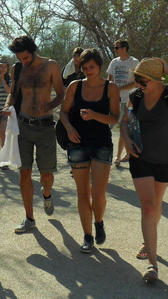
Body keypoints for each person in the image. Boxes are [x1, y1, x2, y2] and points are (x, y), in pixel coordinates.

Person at [122, 57, 168, 283]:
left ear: (154, 79)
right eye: (137, 79)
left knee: (157, 204)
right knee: (149, 208)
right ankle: (153, 264)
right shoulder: (136, 97)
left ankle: (147, 240)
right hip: (140, 157)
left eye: (142, 80)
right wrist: (125, 140)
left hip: (165, 159)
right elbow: (125, 121)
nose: (138, 84)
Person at [59, 49, 120, 253]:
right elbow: (64, 112)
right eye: (84, 68)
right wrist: (69, 128)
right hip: (77, 144)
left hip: (101, 144)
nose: (88, 71)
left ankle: (99, 222)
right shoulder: (75, 86)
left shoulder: (111, 88)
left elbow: (114, 118)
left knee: (98, 193)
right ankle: (87, 236)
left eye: (91, 67)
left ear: (100, 66)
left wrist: (94, 115)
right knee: (82, 192)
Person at [2, 35, 65, 233]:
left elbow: (61, 94)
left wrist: (49, 105)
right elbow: (13, 92)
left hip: (45, 125)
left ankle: (47, 194)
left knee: (46, 174)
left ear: (33, 51)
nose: (23, 62)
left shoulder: (51, 65)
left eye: (26, 58)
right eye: (20, 59)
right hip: (23, 125)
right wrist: (7, 104)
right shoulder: (17, 68)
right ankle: (29, 218)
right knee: (24, 173)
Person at [106, 40, 139, 165]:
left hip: (129, 100)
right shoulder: (114, 62)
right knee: (111, 126)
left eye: (117, 48)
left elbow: (136, 82)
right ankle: (126, 154)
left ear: (124, 48)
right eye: (114, 48)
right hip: (115, 100)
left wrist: (120, 88)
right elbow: (109, 80)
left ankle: (118, 156)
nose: (115, 50)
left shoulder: (134, 62)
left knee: (123, 128)